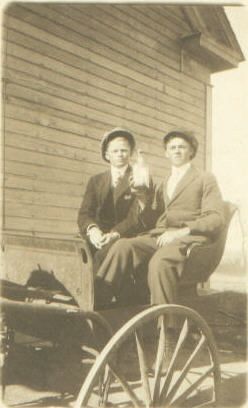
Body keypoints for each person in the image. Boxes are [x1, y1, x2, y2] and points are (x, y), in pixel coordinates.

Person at [95, 130, 225, 308]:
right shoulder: (164, 183)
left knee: (160, 262)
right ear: (166, 153)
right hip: (160, 236)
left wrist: (180, 232)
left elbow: (216, 218)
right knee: (122, 246)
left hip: (189, 240)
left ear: (191, 152)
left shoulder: (205, 178)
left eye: (181, 147)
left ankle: (166, 327)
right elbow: (151, 219)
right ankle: (98, 303)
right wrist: (141, 198)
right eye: (172, 148)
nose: (177, 151)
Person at [77, 127, 153, 302]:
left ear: (131, 153)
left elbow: (136, 216)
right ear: (107, 154)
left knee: (102, 254)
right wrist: (92, 230)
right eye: (115, 150)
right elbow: (84, 213)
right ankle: (73, 295)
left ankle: (93, 301)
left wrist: (114, 234)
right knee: (77, 251)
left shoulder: (140, 177)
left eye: (124, 150)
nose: (120, 154)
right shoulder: (96, 181)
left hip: (124, 235)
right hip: (97, 236)